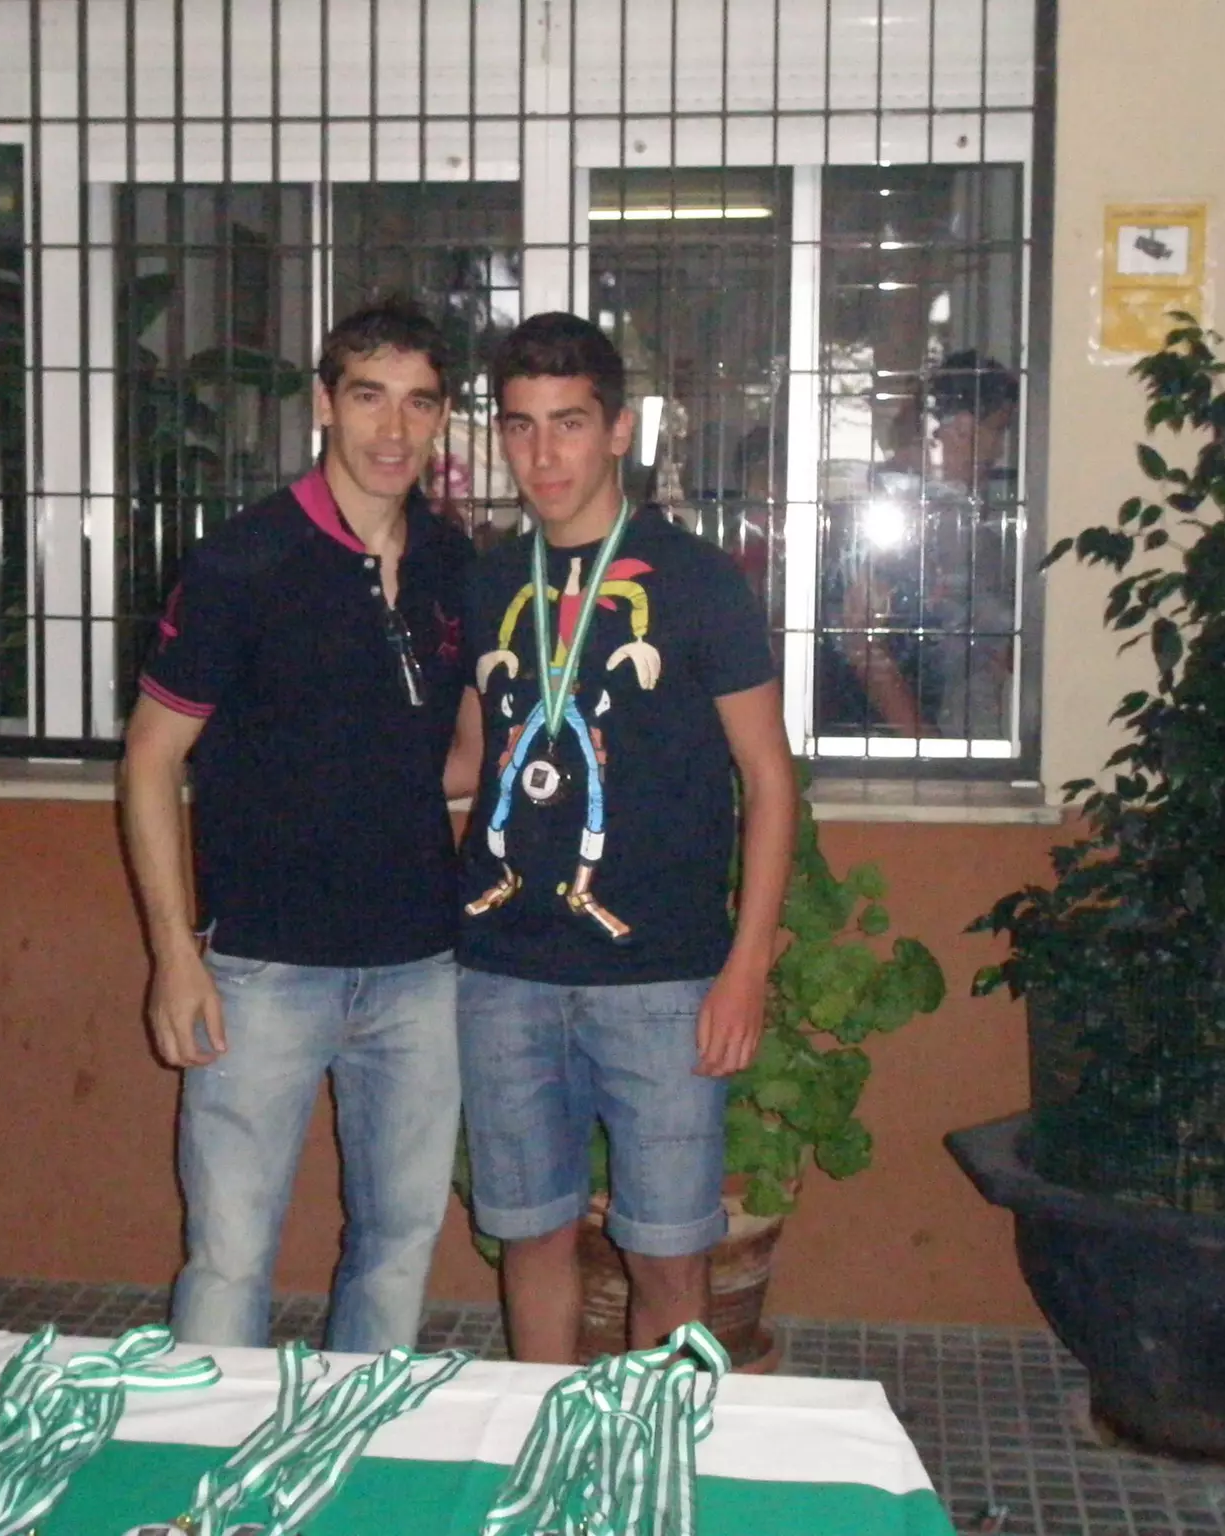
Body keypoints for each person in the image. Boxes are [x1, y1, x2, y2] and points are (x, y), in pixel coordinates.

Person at [119, 299, 477, 1352]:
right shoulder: (244, 563)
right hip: (262, 973)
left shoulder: (453, 562)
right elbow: (149, 760)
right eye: (369, 397)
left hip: (420, 969)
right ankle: (202, 1458)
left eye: (419, 403)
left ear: (442, 417)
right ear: (324, 404)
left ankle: (359, 1447)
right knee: (230, 1256)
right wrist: (174, 959)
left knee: (398, 1242)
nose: (394, 430)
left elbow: (468, 749)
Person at [452, 312, 798, 1362]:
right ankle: (547, 1448)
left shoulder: (697, 581)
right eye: (519, 426)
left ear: (617, 430)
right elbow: (470, 758)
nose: (542, 455)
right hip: (504, 971)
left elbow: (768, 780)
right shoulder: (487, 581)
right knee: (531, 1239)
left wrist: (745, 969)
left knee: (668, 1260)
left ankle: (660, 1453)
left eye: (567, 423)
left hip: (660, 978)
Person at [828, 351, 1021, 741]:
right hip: (883, 745)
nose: (999, 449)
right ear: (963, 428)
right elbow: (862, 644)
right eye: (998, 430)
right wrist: (929, 750)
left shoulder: (965, 522)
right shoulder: (893, 513)